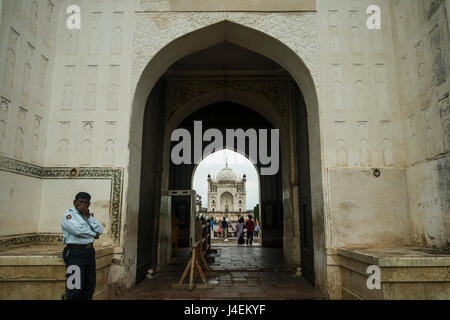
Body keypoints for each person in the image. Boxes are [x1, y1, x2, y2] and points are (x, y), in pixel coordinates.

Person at [61, 192, 103, 300]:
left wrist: (88, 217)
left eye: (85, 203)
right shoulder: (68, 215)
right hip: (75, 253)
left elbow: (100, 230)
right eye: (80, 202)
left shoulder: (88, 216)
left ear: (89, 204)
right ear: (75, 202)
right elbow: (77, 231)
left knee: (89, 286)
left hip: (89, 252)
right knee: (75, 288)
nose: (83, 205)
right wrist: (93, 234)